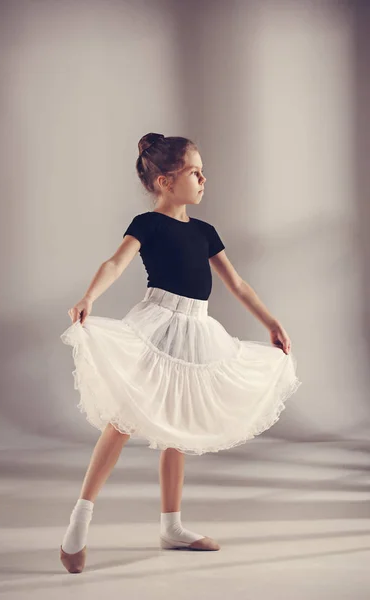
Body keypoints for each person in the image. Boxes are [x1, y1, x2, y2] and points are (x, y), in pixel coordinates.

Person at [59, 132, 302, 573]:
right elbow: (116, 262)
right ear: (166, 181)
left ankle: (172, 526)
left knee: (178, 425)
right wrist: (89, 297)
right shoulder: (148, 224)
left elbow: (237, 284)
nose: (204, 177)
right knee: (122, 420)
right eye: (194, 171)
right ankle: (80, 518)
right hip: (157, 325)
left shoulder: (205, 232)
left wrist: (272, 322)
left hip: (197, 329)